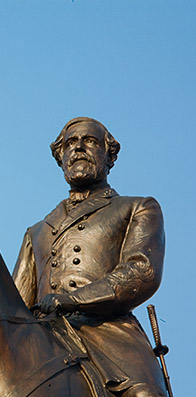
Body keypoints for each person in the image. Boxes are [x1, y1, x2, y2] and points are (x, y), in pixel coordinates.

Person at [13, 117, 167, 396]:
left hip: (110, 335)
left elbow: (141, 271)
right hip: (45, 337)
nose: (79, 148)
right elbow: (14, 307)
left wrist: (73, 300)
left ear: (110, 156)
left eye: (90, 141)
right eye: (71, 143)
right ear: (61, 158)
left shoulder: (137, 207)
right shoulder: (36, 232)